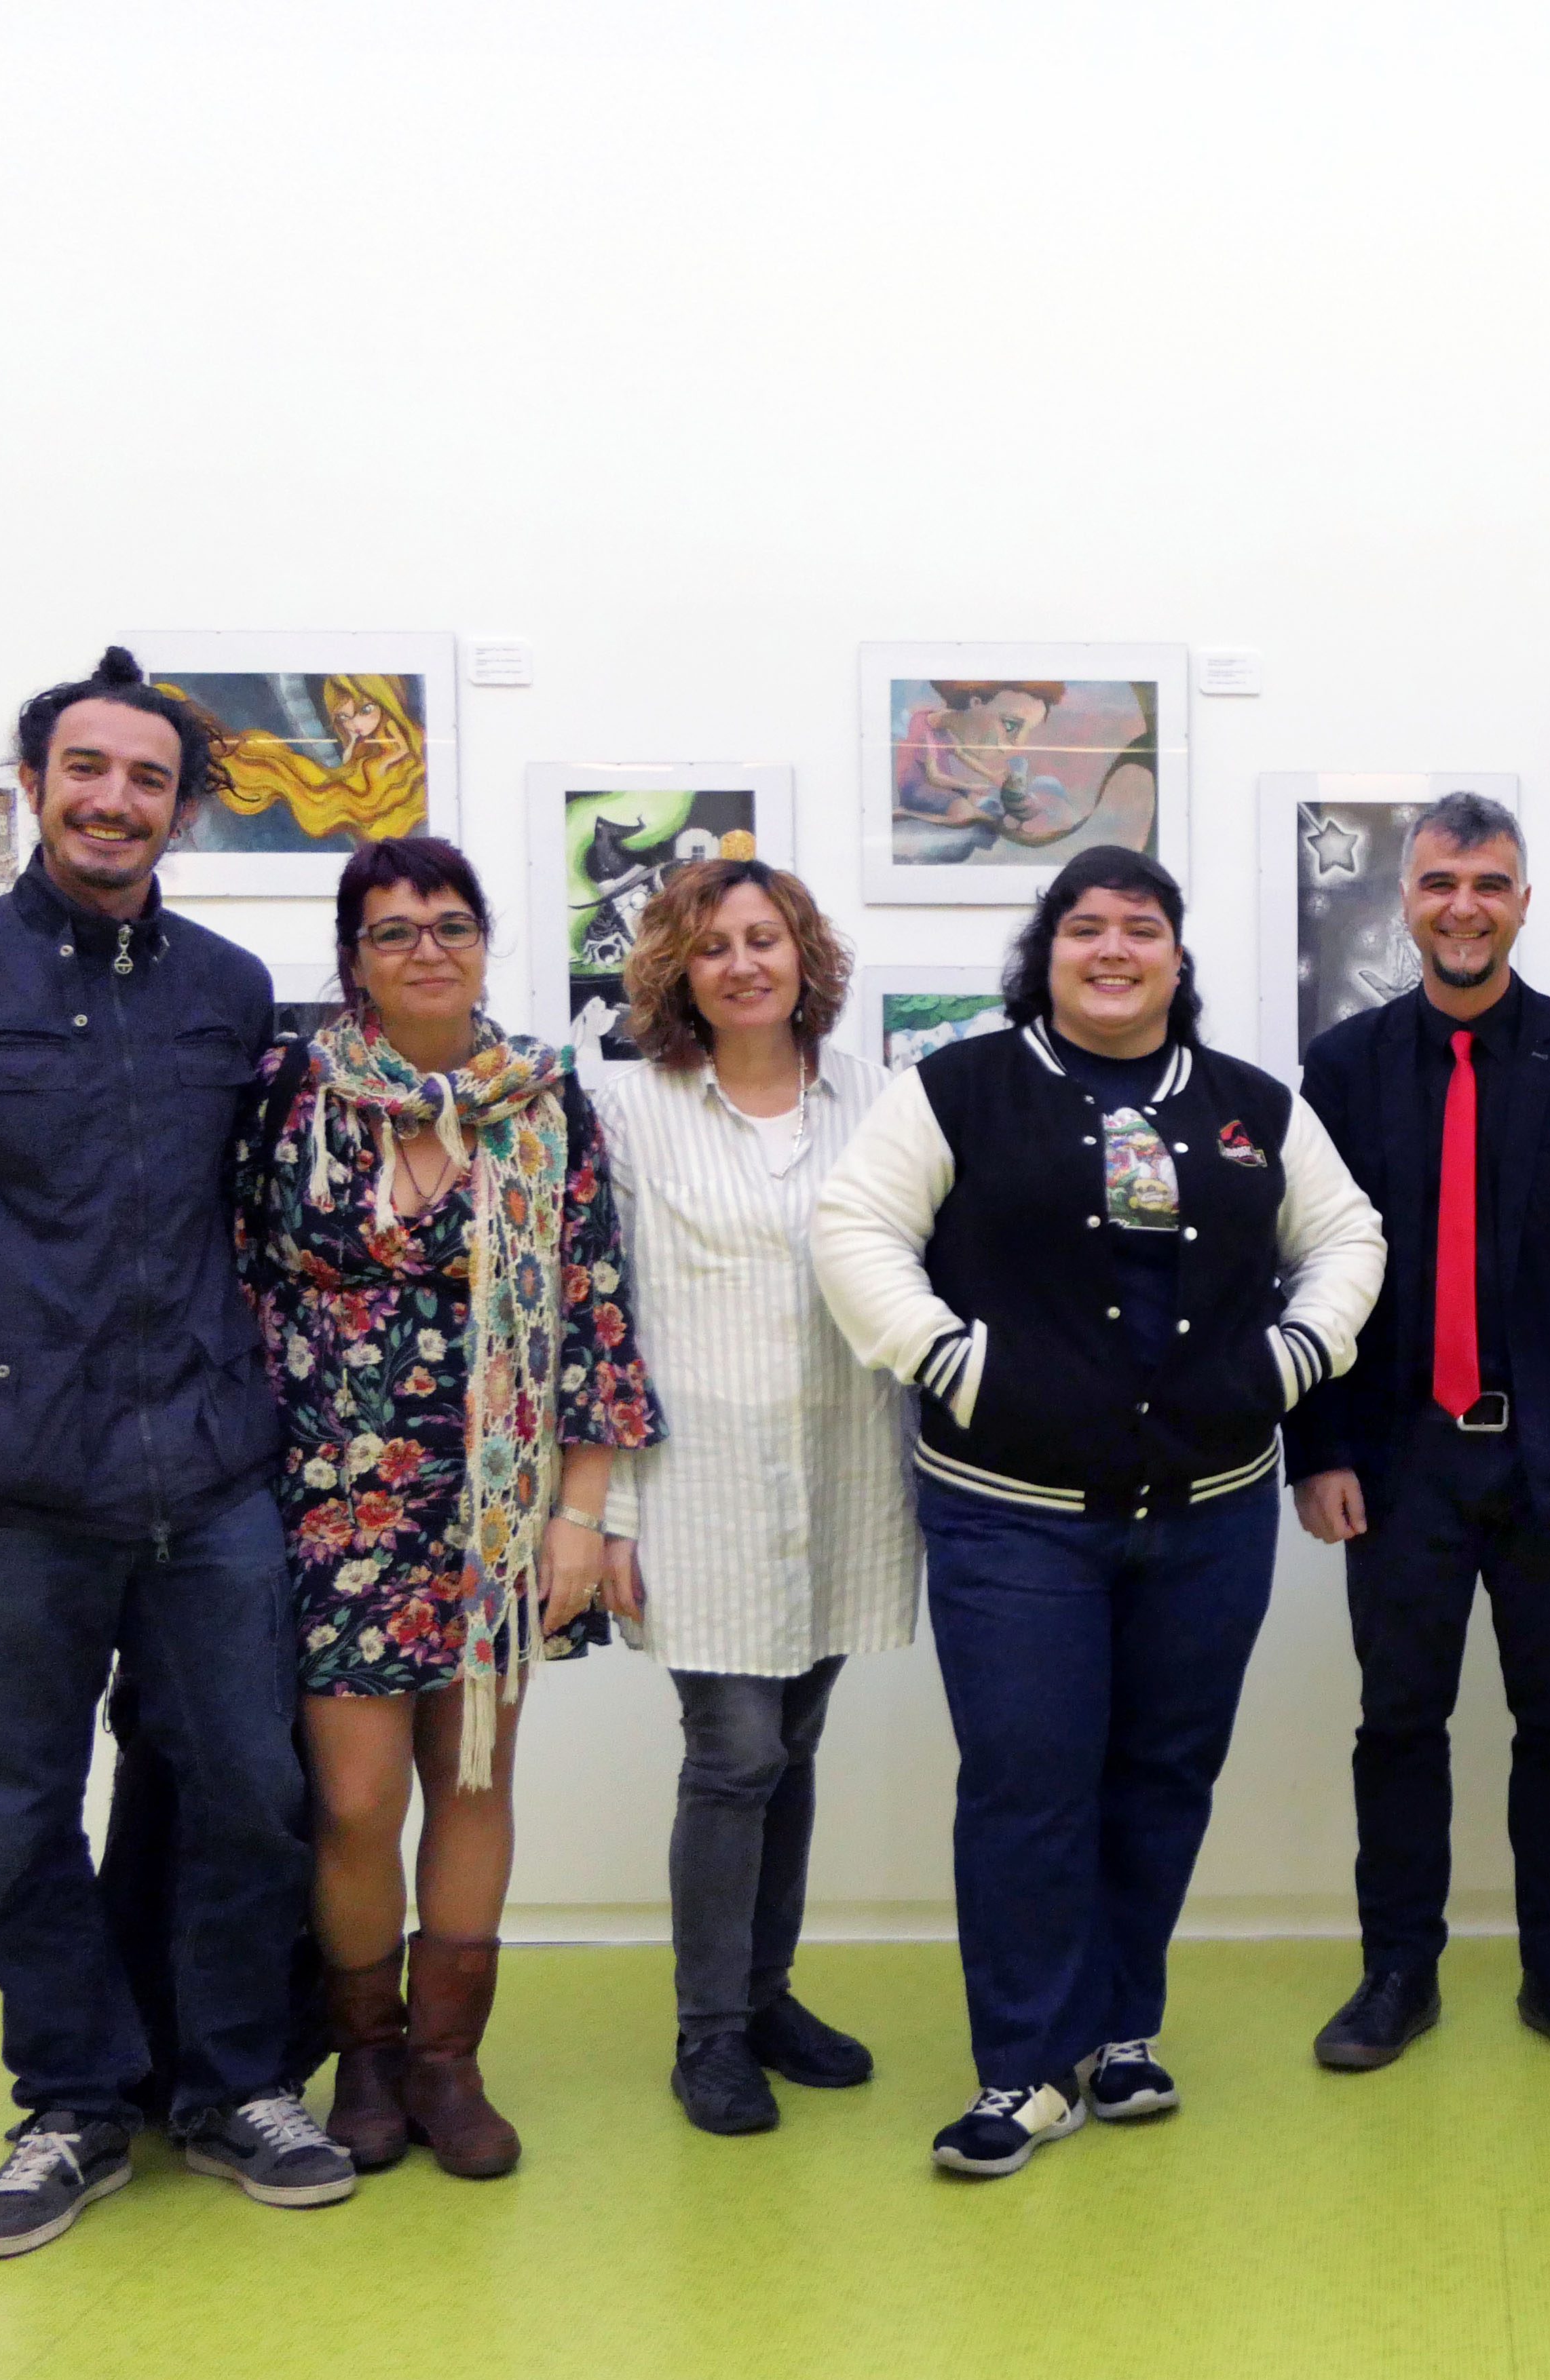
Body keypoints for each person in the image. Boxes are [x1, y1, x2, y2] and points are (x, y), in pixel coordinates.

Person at [0, 647, 351, 2257]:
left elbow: (247, 1212)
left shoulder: (227, 991)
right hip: (5, 1492)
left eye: (148, 779)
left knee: (250, 1795)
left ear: (184, 812)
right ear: (33, 787)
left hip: (210, 1474)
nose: (116, 800)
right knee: (21, 1819)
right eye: (88, 770)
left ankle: (234, 2084)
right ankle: (72, 2102)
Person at [814, 846, 1383, 2174]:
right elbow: (853, 1229)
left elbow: (1349, 1238)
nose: (1114, 951)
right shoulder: (955, 1089)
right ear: (1048, 951)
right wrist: (953, 1365)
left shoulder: (1253, 1107)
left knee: (1161, 1775)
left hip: (1211, 1515)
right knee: (1029, 1785)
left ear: (1177, 959)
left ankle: (1122, 2029)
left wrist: (1293, 1362)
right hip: (1013, 1518)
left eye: (1141, 929)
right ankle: (1024, 2068)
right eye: (1086, 928)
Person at [238, 837, 660, 2181]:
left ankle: (446, 2064)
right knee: (357, 1800)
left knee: (473, 1777)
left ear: (484, 943)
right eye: (394, 929)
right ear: (354, 958)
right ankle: (363, 2055)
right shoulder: (291, 1094)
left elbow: (595, 1305)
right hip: (327, 1501)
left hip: (496, 1504)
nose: (427, 949)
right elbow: (235, 1279)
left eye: (451, 925)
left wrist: (580, 1512)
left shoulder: (543, 1099)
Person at [1287, 792, 1550, 2074]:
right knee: (1398, 1721)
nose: (1466, 907)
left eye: (1490, 884)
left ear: (1523, 902)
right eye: (1442, 883)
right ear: (1407, 900)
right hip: (1400, 1459)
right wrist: (1320, 1449)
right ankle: (1397, 1972)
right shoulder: (1344, 1068)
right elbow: (1311, 1268)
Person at [591, 861, 919, 2136]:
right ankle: (710, 2035)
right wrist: (611, 1513)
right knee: (732, 1756)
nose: (743, 964)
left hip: (844, 1474)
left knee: (792, 1748)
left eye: (765, 939)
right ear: (679, 970)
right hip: (697, 1485)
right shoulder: (632, 1109)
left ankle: (766, 1996)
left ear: (804, 956)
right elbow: (607, 1318)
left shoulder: (874, 1101)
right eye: (715, 945)